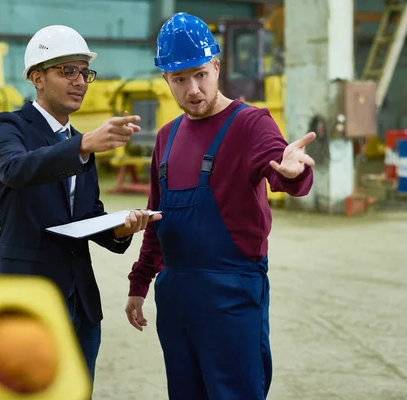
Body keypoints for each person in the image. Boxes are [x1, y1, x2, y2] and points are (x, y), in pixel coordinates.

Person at [124, 13, 315, 399]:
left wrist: (295, 174)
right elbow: (158, 216)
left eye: (200, 75)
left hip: (232, 293)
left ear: (216, 66)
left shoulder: (251, 124)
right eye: (180, 79)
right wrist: (139, 282)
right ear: (166, 80)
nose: (192, 89)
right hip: (176, 294)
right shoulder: (167, 137)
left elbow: (281, 172)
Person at [0, 24, 161, 386]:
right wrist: (81, 148)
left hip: (81, 301)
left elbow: (86, 215)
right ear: (37, 77)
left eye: (85, 72)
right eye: (68, 71)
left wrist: (119, 228)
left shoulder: (80, 142)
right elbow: (15, 169)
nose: (80, 81)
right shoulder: (9, 127)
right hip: (29, 297)